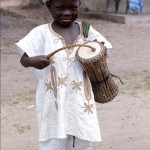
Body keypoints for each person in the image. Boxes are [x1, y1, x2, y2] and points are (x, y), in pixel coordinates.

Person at [16, 0, 112, 149]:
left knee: (82, 138)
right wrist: (31, 61)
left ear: (79, 5)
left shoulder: (86, 29)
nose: (67, 13)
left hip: (81, 99)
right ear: (49, 6)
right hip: (53, 100)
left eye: (73, 8)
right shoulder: (41, 32)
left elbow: (102, 47)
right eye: (60, 8)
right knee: (52, 139)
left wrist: (101, 50)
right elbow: (24, 59)